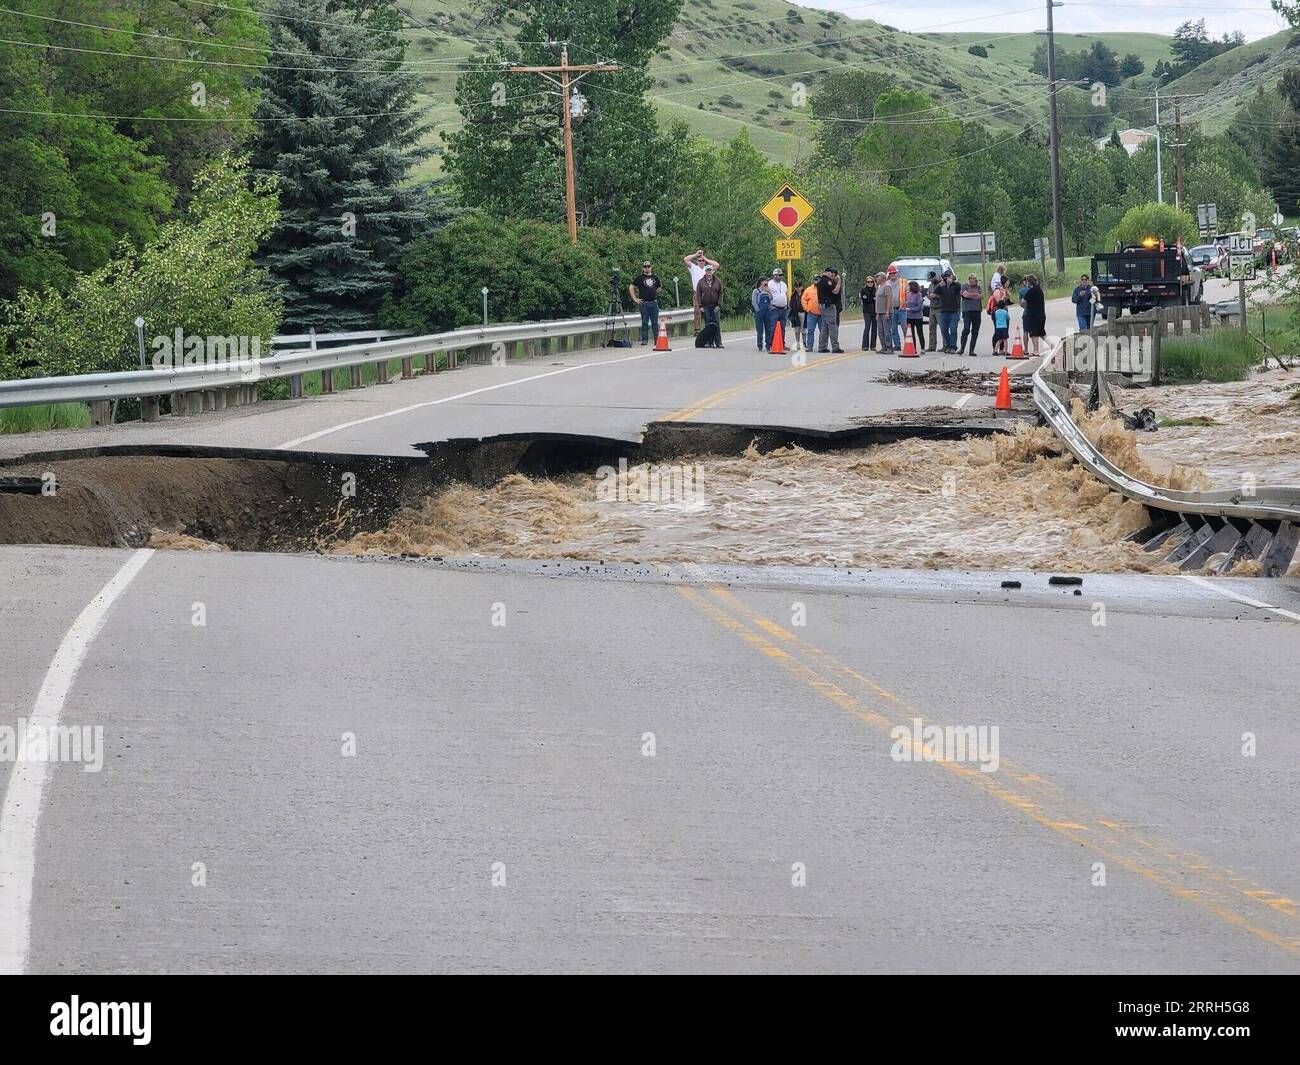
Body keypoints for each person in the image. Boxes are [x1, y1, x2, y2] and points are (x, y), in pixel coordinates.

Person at [628, 260, 662, 345]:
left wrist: (652, 293)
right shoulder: (639, 278)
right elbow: (631, 287)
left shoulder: (655, 277)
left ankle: (656, 339)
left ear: (651, 267)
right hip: (644, 303)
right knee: (644, 322)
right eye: (645, 267)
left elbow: (659, 288)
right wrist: (635, 299)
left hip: (654, 303)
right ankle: (644, 339)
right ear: (643, 268)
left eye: (648, 266)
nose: (647, 268)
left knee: (655, 322)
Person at [684, 249, 719, 329]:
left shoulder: (707, 269)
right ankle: (697, 329)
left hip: (707, 293)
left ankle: (709, 326)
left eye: (703, 260)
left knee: (708, 311)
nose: (702, 262)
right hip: (697, 293)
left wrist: (705, 258)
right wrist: (696, 254)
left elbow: (717, 265)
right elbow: (686, 259)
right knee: (697, 312)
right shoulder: (693, 267)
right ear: (697, 261)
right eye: (700, 260)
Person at [815, 266, 844, 353]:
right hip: (828, 306)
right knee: (832, 326)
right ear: (827, 272)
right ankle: (835, 346)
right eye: (832, 273)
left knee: (825, 326)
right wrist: (839, 282)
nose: (833, 275)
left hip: (822, 306)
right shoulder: (827, 281)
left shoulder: (820, 281)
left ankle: (822, 346)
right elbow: (835, 291)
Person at [695, 263, 724, 347]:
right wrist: (700, 306)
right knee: (707, 324)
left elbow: (721, 293)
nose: (709, 272)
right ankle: (707, 342)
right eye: (707, 270)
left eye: (710, 270)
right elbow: (698, 294)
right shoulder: (701, 282)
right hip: (705, 306)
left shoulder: (717, 281)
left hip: (715, 306)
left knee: (716, 324)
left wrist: (719, 305)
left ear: (712, 271)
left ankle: (718, 342)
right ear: (705, 271)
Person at [935, 270, 961, 353]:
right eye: (945, 278)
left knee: (953, 330)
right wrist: (940, 285)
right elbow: (935, 291)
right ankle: (948, 345)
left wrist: (952, 281)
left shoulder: (955, 285)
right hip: (943, 311)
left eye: (948, 277)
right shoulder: (942, 286)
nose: (947, 279)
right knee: (944, 330)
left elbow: (959, 287)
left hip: (953, 311)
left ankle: (953, 347)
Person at [1022, 274, 1047, 356]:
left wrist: (1026, 306)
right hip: (1042, 314)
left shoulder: (1031, 291)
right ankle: (1053, 345)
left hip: (1033, 315)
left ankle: (1036, 351)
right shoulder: (1039, 289)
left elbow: (1022, 301)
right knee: (1042, 333)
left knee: (1034, 334)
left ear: (1029, 282)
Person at [958, 273, 982, 356]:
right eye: (971, 279)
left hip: (977, 311)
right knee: (966, 329)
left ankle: (971, 350)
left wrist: (970, 295)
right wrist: (975, 295)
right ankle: (962, 348)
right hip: (967, 311)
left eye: (974, 280)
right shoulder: (964, 286)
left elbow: (981, 296)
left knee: (975, 331)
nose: (972, 281)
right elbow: (964, 295)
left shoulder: (978, 287)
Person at [766, 268, 788, 349]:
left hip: (783, 308)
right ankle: (770, 344)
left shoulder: (783, 284)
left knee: (783, 327)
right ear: (774, 275)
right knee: (772, 327)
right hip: (774, 308)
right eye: (778, 275)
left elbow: (786, 294)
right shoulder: (770, 284)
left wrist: (787, 305)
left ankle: (782, 344)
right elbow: (767, 296)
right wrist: (770, 305)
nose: (779, 276)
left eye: (780, 275)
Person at [874, 271, 895, 353]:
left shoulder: (887, 286)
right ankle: (884, 347)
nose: (876, 278)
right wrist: (877, 313)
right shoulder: (880, 286)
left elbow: (889, 299)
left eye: (877, 276)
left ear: (882, 277)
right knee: (880, 331)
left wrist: (887, 311)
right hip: (879, 312)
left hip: (885, 312)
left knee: (887, 331)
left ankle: (889, 347)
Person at [887, 265, 905, 352]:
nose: (893, 274)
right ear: (889, 274)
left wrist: (905, 303)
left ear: (897, 273)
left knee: (905, 327)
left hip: (902, 309)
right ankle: (897, 345)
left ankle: (909, 344)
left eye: (894, 273)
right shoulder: (887, 283)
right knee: (893, 328)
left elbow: (908, 293)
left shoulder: (903, 282)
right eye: (891, 273)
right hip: (892, 309)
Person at [903, 280, 925, 352]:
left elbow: (920, 307)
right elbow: (906, 302)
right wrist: (904, 306)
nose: (907, 287)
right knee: (911, 334)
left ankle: (922, 348)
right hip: (909, 317)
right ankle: (913, 348)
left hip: (917, 317)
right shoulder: (908, 294)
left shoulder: (918, 295)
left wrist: (910, 309)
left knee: (919, 332)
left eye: (908, 286)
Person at [801, 275, 820, 350]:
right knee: (810, 330)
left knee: (823, 331)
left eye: (818, 279)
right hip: (811, 313)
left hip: (822, 314)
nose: (816, 281)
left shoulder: (823, 288)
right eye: (815, 279)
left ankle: (822, 346)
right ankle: (809, 346)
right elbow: (803, 299)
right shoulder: (808, 290)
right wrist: (806, 308)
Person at [860, 274, 878, 351]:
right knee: (867, 327)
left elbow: (876, 300)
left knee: (874, 328)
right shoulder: (863, 290)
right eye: (868, 282)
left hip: (875, 311)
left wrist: (871, 299)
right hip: (867, 311)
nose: (870, 283)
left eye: (871, 282)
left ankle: (873, 346)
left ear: (873, 282)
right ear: (866, 283)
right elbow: (865, 300)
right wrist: (872, 299)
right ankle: (865, 345)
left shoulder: (876, 290)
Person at [752, 277, 770, 350]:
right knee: (760, 330)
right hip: (759, 312)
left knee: (768, 329)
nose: (766, 282)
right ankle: (760, 345)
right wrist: (758, 310)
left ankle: (768, 345)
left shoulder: (767, 291)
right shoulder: (756, 291)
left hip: (767, 312)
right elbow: (754, 302)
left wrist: (769, 292)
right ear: (761, 282)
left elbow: (771, 299)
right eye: (764, 281)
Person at [925, 270, 940, 352]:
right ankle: (932, 346)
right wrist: (929, 296)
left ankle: (946, 345)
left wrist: (935, 296)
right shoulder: (931, 285)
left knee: (942, 328)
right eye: (929, 279)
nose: (931, 280)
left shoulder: (941, 284)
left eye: (932, 278)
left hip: (939, 308)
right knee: (931, 328)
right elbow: (928, 293)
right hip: (932, 308)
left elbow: (944, 295)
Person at [789, 281, 803, 352]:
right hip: (795, 314)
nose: (798, 288)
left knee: (804, 329)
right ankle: (798, 343)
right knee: (797, 329)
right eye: (796, 287)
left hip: (803, 312)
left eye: (799, 287)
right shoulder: (793, 295)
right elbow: (791, 304)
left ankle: (804, 343)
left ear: (802, 287)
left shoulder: (804, 293)